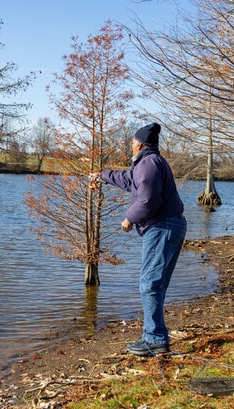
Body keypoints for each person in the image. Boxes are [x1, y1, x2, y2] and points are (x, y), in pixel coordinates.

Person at [90, 122, 186, 356]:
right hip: (170, 226)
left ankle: (154, 340)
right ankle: (155, 336)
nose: (130, 145)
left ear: (139, 144)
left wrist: (129, 218)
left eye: (132, 142)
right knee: (156, 284)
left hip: (162, 228)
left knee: (150, 283)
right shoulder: (148, 163)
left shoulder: (148, 164)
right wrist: (101, 176)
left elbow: (148, 201)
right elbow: (127, 179)